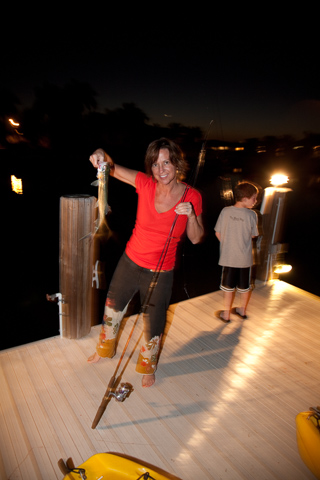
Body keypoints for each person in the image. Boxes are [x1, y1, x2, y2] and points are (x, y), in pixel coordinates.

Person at [87, 138, 204, 387]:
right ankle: (105, 349)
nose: (161, 170)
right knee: (112, 308)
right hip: (130, 261)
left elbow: (196, 238)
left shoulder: (192, 196)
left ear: (176, 164)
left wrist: (191, 215)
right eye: (155, 164)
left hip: (161, 272)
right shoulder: (144, 183)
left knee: (154, 319)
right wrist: (100, 153)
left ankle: (147, 366)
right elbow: (110, 166)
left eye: (166, 163)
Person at [214, 181, 259, 322]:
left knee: (228, 287)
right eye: (254, 198)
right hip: (245, 260)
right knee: (244, 287)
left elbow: (218, 233)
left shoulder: (225, 211)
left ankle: (226, 314)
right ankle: (242, 310)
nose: (255, 201)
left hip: (229, 258)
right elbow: (253, 235)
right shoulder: (252, 215)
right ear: (245, 198)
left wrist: (228, 244)